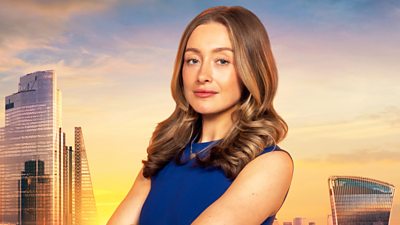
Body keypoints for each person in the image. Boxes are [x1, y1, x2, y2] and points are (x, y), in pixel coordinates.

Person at [108, 5, 293, 225]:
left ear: (251, 71)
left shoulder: (271, 163)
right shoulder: (163, 156)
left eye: (222, 61)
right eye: (193, 60)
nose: (203, 75)